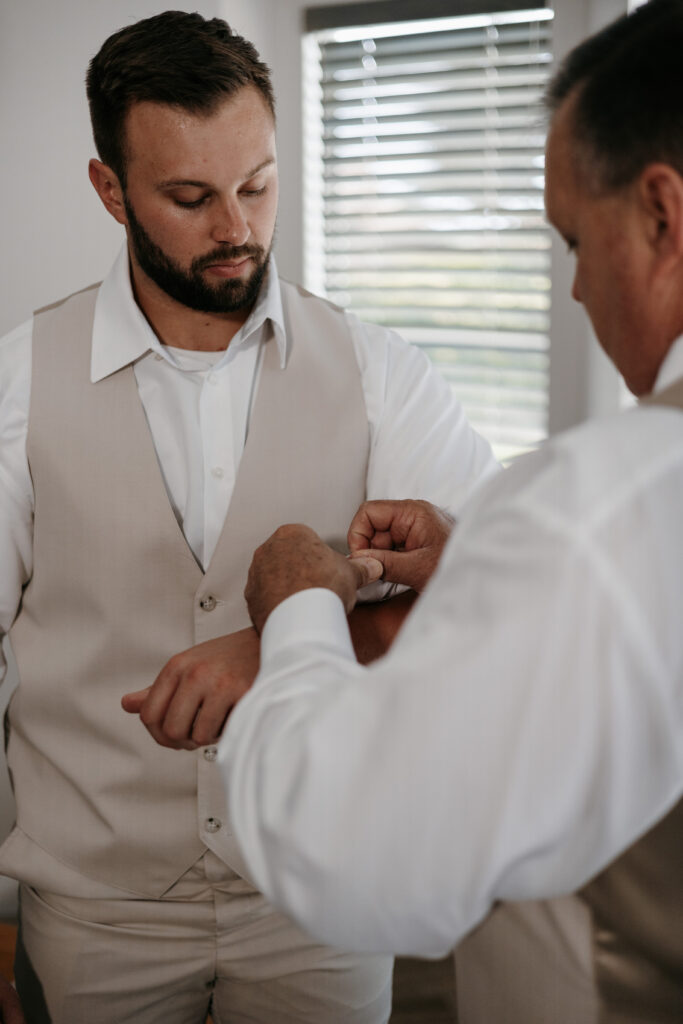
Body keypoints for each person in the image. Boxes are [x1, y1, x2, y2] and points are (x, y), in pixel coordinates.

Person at [0, 11, 497, 1024]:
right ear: (111, 191)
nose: (237, 227)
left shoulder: (381, 376)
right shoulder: (15, 385)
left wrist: (283, 635)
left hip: (322, 898)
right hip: (97, 913)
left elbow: (490, 603)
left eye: (258, 184)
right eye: (190, 197)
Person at [218, 2, 683, 1021]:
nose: (570, 292)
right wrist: (486, 569)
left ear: (661, 216)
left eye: (573, 240)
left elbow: (351, 847)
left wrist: (297, 613)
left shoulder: (599, 507)